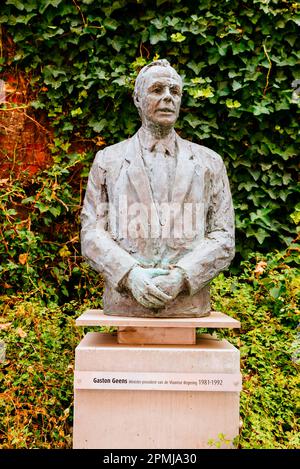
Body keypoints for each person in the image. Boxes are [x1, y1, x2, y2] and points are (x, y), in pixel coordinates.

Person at [81, 59, 235, 317]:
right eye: (157, 90)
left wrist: (183, 277)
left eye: (174, 92)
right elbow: (92, 233)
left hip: (189, 303)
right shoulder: (108, 161)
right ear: (138, 99)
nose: (168, 98)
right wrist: (129, 275)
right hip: (125, 303)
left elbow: (223, 236)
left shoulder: (209, 162)